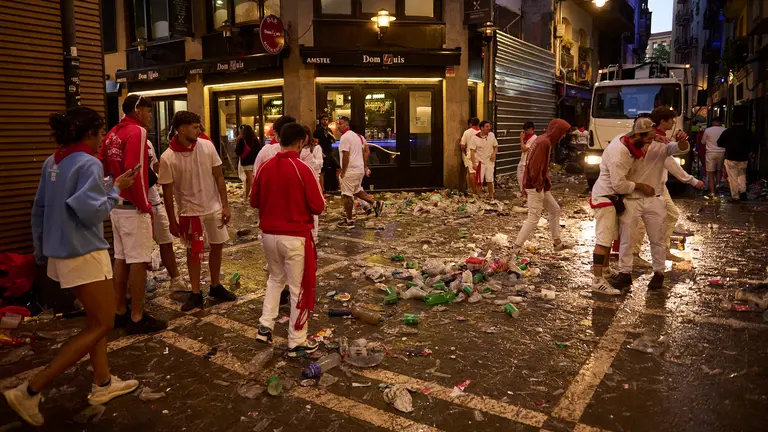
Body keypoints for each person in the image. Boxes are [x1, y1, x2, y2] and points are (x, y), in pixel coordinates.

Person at [4, 108, 140, 426]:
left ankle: (103, 383)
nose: (103, 139)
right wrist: (116, 188)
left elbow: (39, 208)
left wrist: (41, 251)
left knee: (96, 319)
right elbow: (90, 213)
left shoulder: (54, 161)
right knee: (103, 323)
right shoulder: (89, 163)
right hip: (84, 251)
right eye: (100, 133)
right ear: (89, 134)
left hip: (60, 252)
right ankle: (30, 390)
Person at [251, 122, 325, 358]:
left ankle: (265, 326)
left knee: (275, 279)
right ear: (301, 141)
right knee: (297, 288)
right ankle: (297, 340)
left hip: (268, 235)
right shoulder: (303, 169)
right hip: (294, 237)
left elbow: (254, 201)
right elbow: (318, 206)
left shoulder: (265, 167)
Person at [100, 94, 167, 334]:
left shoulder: (112, 134)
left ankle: (119, 311)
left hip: (116, 205)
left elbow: (105, 169)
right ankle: (137, 316)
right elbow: (136, 172)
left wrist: (112, 195)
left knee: (121, 259)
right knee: (138, 261)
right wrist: (145, 205)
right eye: (148, 111)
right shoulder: (136, 132)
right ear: (138, 110)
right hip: (131, 206)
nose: (150, 116)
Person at [158, 111, 237, 311]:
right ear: (182, 129)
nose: (199, 130)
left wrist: (225, 205)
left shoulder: (207, 145)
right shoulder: (168, 157)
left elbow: (219, 176)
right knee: (193, 252)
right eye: (195, 127)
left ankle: (215, 285)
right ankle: (195, 292)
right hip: (188, 211)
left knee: (218, 245)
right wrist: (172, 221)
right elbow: (167, 192)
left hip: (213, 207)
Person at [611, 112, 690, 291]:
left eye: (649, 134)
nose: (647, 139)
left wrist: (682, 140)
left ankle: (659, 273)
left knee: (657, 238)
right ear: (636, 132)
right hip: (632, 198)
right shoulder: (625, 146)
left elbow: (681, 148)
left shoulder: (661, 146)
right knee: (627, 237)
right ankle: (624, 272)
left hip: (654, 199)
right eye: (643, 134)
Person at [589, 117, 658, 296]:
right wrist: (641, 186)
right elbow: (619, 185)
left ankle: (604, 271)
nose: (650, 144)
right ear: (638, 135)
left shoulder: (626, 140)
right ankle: (597, 280)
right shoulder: (619, 154)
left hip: (611, 197)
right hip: (605, 197)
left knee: (610, 237)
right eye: (649, 139)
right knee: (603, 241)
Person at [632, 112, 705, 267]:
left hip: (659, 185)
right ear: (661, 121)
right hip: (646, 186)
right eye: (671, 119)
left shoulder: (661, 140)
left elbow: (680, 149)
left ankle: (662, 251)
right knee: (641, 221)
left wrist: (683, 141)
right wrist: (692, 181)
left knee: (671, 215)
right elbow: (671, 164)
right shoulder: (648, 142)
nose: (673, 122)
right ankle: (634, 255)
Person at [511, 119, 572, 255]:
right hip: (535, 186)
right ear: (556, 131)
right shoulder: (544, 142)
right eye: (562, 133)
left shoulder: (542, 140)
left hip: (539, 185)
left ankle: (557, 242)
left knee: (554, 209)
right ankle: (516, 247)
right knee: (533, 217)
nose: (562, 136)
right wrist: (538, 185)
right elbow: (534, 167)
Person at [147, 141, 187, 290]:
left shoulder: (149, 143)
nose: (150, 115)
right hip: (136, 206)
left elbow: (156, 165)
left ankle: (175, 279)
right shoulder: (130, 140)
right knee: (140, 250)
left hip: (154, 201)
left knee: (166, 240)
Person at [336, 116, 384, 228]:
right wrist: (364, 166)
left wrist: (343, 171)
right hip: (358, 168)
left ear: (346, 125)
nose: (338, 126)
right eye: (338, 123)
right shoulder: (357, 137)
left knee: (346, 195)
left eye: (341, 123)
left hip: (350, 170)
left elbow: (345, 155)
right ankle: (375, 203)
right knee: (357, 190)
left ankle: (349, 220)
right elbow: (365, 152)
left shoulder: (345, 138)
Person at [718, 119, 757, 203]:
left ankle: (735, 196)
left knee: (733, 178)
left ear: (732, 122)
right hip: (743, 158)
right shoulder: (747, 132)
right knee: (742, 175)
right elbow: (754, 143)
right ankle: (742, 191)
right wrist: (752, 151)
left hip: (731, 157)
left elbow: (719, 143)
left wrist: (728, 146)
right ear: (742, 122)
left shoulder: (727, 131)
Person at [301, 125, 323, 243]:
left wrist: (309, 159)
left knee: (313, 208)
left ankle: (314, 236)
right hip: (299, 181)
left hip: (313, 180)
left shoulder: (315, 148)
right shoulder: (296, 149)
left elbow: (319, 164)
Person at [469, 120, 499, 200]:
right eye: (487, 126)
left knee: (490, 180)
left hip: (489, 161)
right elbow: (472, 152)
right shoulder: (474, 138)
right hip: (480, 162)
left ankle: (491, 195)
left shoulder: (492, 136)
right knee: (479, 181)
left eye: (490, 126)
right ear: (481, 128)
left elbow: (495, 147)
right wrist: (474, 164)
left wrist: (494, 154)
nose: (489, 128)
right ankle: (479, 196)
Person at [701, 118, 726, 198]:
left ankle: (712, 192)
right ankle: (717, 186)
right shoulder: (725, 130)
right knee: (719, 170)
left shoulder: (708, 130)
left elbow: (703, 142)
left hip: (710, 153)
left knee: (711, 173)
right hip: (722, 152)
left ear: (713, 122)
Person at [235, 125, 261, 202]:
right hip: (255, 161)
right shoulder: (255, 139)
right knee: (248, 179)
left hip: (246, 162)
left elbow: (237, 150)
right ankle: (246, 197)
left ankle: (257, 197)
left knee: (250, 179)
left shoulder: (242, 139)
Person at [314, 114, 338, 192]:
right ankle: (322, 189)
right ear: (320, 121)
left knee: (338, 167)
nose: (325, 121)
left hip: (330, 152)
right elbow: (316, 142)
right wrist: (320, 152)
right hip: (323, 153)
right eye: (323, 119)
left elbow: (334, 140)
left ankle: (338, 186)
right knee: (322, 172)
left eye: (326, 119)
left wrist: (330, 134)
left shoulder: (329, 130)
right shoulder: (318, 131)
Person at [460, 117, 481, 194]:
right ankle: (477, 190)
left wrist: (465, 152)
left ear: (470, 124)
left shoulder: (467, 132)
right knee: (478, 173)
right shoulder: (481, 132)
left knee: (471, 173)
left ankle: (473, 190)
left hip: (469, 154)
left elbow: (462, 144)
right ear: (479, 124)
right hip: (480, 155)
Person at [517, 121, 537, 195]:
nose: (524, 132)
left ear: (531, 129)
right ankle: (524, 194)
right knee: (520, 178)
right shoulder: (527, 137)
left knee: (524, 180)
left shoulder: (534, 138)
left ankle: (526, 195)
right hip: (523, 160)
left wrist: (521, 139)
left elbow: (524, 149)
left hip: (527, 162)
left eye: (526, 130)